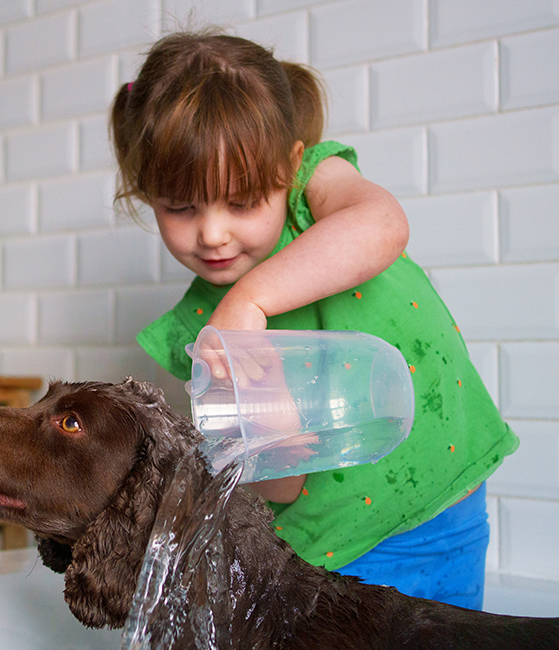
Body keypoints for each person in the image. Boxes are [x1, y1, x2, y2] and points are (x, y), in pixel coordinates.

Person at [109, 29, 519, 610]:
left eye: (243, 201)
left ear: (289, 165)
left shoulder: (315, 191)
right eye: (180, 207)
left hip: (446, 503)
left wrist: (252, 299)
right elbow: (279, 488)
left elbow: (383, 227)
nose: (212, 233)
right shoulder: (199, 331)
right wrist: (270, 433)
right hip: (334, 551)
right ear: (149, 195)